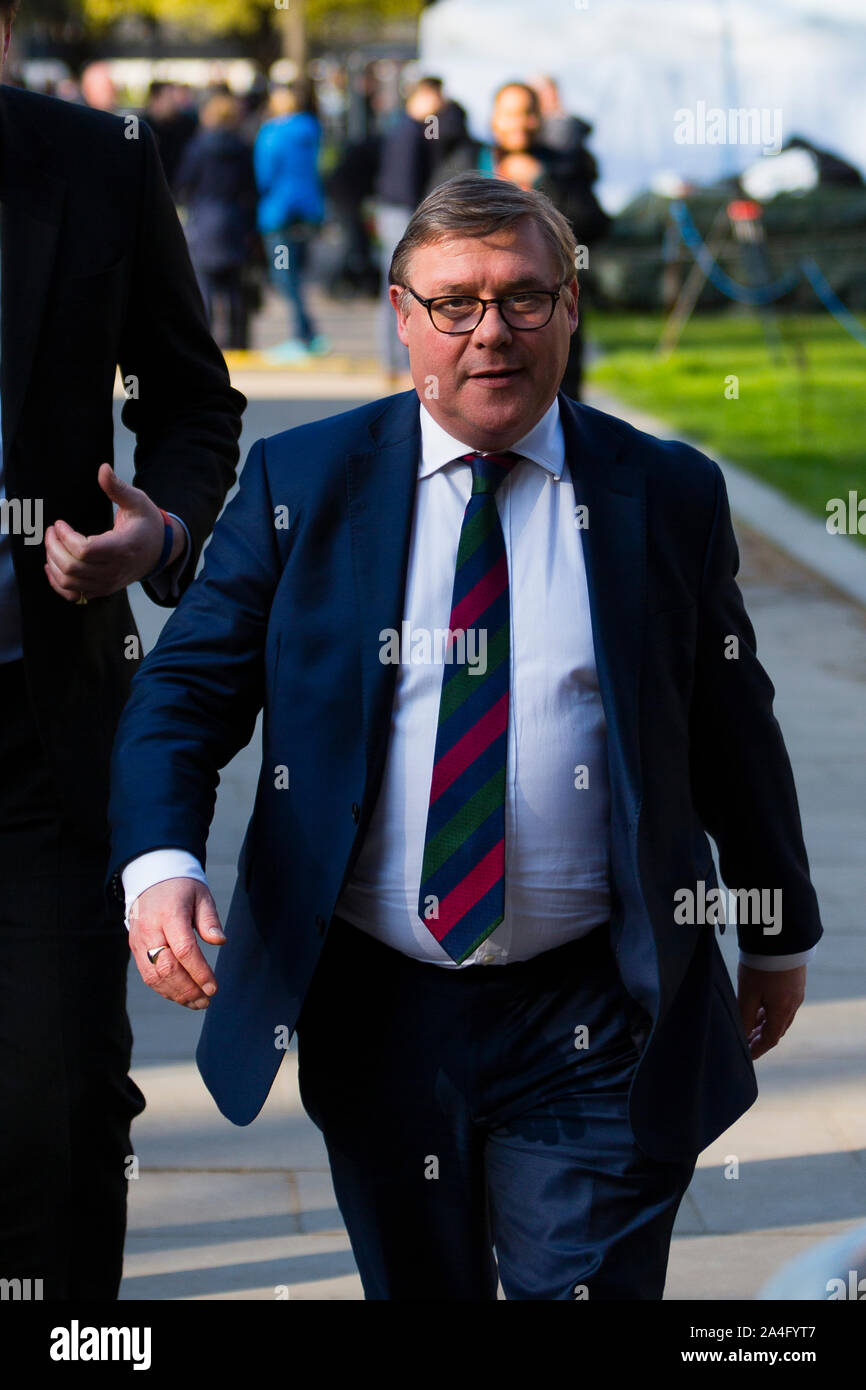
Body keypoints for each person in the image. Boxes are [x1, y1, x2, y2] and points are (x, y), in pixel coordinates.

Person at [108, 171, 821, 1302]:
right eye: (455, 304)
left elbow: (732, 724)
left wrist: (774, 928)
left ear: (569, 311)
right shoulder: (305, 482)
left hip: (597, 1011)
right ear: (403, 319)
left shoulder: (661, 494)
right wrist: (160, 866)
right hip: (378, 1006)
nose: (491, 332)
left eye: (524, 299)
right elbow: (185, 692)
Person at [0, 1, 246, 1300]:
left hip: (36, 732)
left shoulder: (97, 159)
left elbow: (193, 401)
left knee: (51, 1110)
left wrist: (156, 536)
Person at [427, 81, 610, 399]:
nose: (520, 123)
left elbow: (594, 224)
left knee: (557, 399)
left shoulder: (564, 164)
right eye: (510, 114)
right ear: (494, 119)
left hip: (547, 307)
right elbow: (429, 230)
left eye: (528, 113)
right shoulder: (465, 164)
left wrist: (543, 181)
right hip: (475, 309)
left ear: (539, 118)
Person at [174, 91, 259, 351]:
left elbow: (183, 184)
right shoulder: (243, 148)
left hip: (205, 221)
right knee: (234, 287)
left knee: (204, 288)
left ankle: (205, 343)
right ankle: (237, 341)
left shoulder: (198, 147)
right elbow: (251, 187)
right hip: (235, 221)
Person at [374, 75, 444, 386]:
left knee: (397, 286)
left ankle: (395, 359)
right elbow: (405, 182)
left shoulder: (405, 128)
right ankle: (397, 360)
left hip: (396, 212)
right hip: (401, 214)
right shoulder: (410, 131)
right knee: (400, 288)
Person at [254, 81, 328, 364]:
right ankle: (308, 333)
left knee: (284, 276)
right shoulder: (310, 129)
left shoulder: (271, 133)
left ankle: (302, 334)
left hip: (279, 211)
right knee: (299, 274)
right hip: (308, 208)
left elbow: (264, 174)